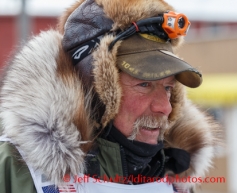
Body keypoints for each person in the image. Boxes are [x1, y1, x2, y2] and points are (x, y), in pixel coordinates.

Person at [0, 0, 220, 192]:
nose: (165, 108)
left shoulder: (174, 175)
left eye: (168, 88)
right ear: (96, 88)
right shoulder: (15, 170)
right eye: (144, 84)